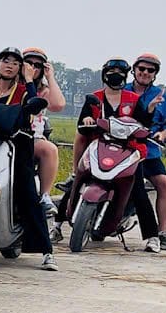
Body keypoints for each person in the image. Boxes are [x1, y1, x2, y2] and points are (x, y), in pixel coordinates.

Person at [0, 46, 57, 271]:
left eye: (15, 63)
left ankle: (46, 251)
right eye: (5, 61)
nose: (9, 66)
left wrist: (29, 80)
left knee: (27, 192)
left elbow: (34, 106)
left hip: (17, 145)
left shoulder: (24, 90)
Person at [59, 57, 150, 239]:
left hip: (126, 150)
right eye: (112, 73)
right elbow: (82, 124)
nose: (116, 76)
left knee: (138, 189)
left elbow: (144, 125)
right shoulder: (94, 98)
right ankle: (57, 225)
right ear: (104, 76)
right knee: (77, 182)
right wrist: (87, 119)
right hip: (98, 147)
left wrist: (150, 113)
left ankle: (152, 236)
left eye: (120, 73)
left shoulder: (134, 100)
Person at [129, 52, 166, 251]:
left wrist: (162, 135)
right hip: (123, 148)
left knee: (164, 184)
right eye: (141, 69)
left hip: (148, 150)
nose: (145, 73)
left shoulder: (162, 96)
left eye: (150, 70)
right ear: (134, 70)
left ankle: (162, 231)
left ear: (155, 74)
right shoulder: (121, 91)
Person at [18, 45, 66, 221]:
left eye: (37, 65)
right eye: (28, 63)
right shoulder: (11, 83)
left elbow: (58, 105)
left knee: (49, 149)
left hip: (32, 137)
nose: (32, 68)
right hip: (6, 134)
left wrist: (50, 76)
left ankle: (45, 195)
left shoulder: (42, 91)